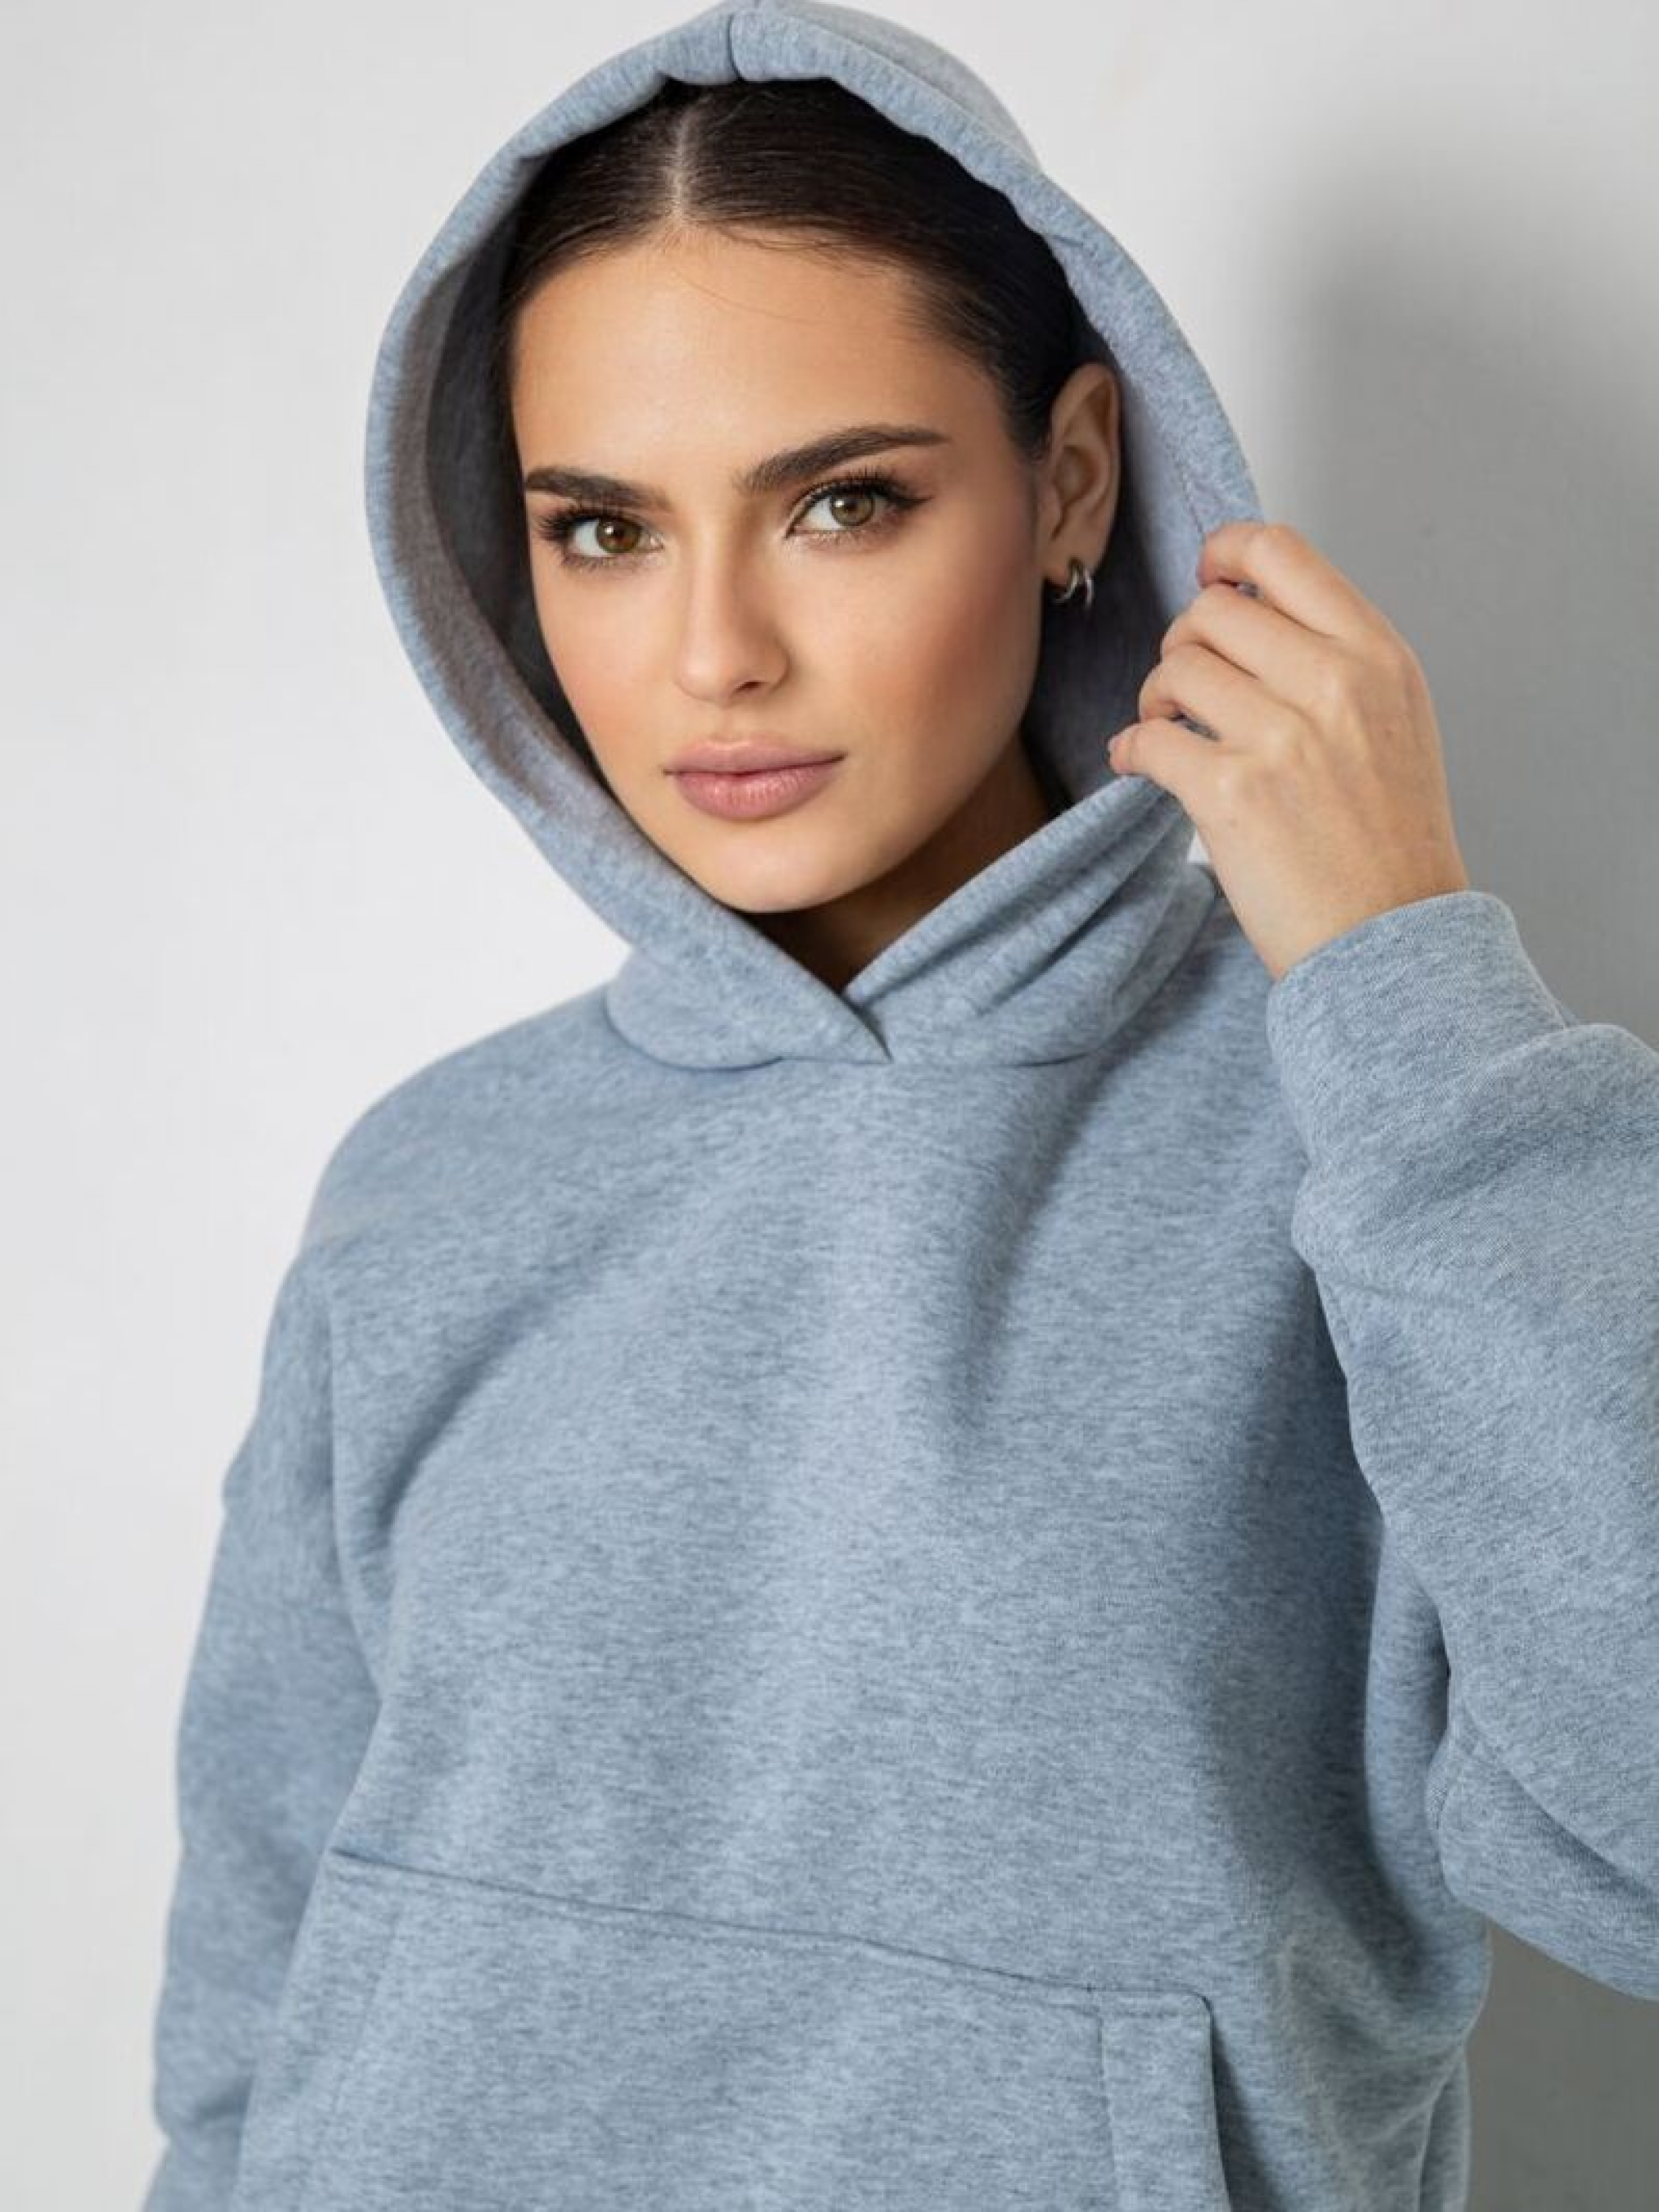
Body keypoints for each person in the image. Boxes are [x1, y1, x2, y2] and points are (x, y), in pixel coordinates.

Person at [141, 5, 1659, 2209]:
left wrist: (1402, 983)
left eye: (840, 502)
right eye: (605, 530)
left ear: (1069, 480)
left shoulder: (1381, 1147)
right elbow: (252, 2008)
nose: (714, 655)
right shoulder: (436, 1180)